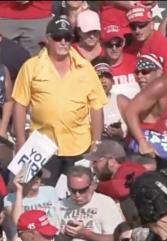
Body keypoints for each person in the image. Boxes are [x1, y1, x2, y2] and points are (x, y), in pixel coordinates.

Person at [12, 17, 108, 185]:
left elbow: (96, 106)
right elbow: (20, 104)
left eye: (67, 37)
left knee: (77, 196)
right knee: (30, 191)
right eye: (58, 37)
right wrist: (21, 142)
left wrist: (97, 142)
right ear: (48, 39)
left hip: (79, 146)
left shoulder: (85, 67)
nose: (63, 42)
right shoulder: (31, 66)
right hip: (40, 145)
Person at [59, 166, 125, 241]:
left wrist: (86, 234)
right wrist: (66, 236)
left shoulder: (105, 203)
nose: (77, 195)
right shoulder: (60, 206)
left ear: (92, 186)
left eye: (82, 190)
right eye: (73, 190)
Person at [123, 5, 167, 73]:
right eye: (133, 27)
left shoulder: (163, 46)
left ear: (151, 25)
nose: (137, 30)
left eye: (141, 25)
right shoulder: (134, 44)